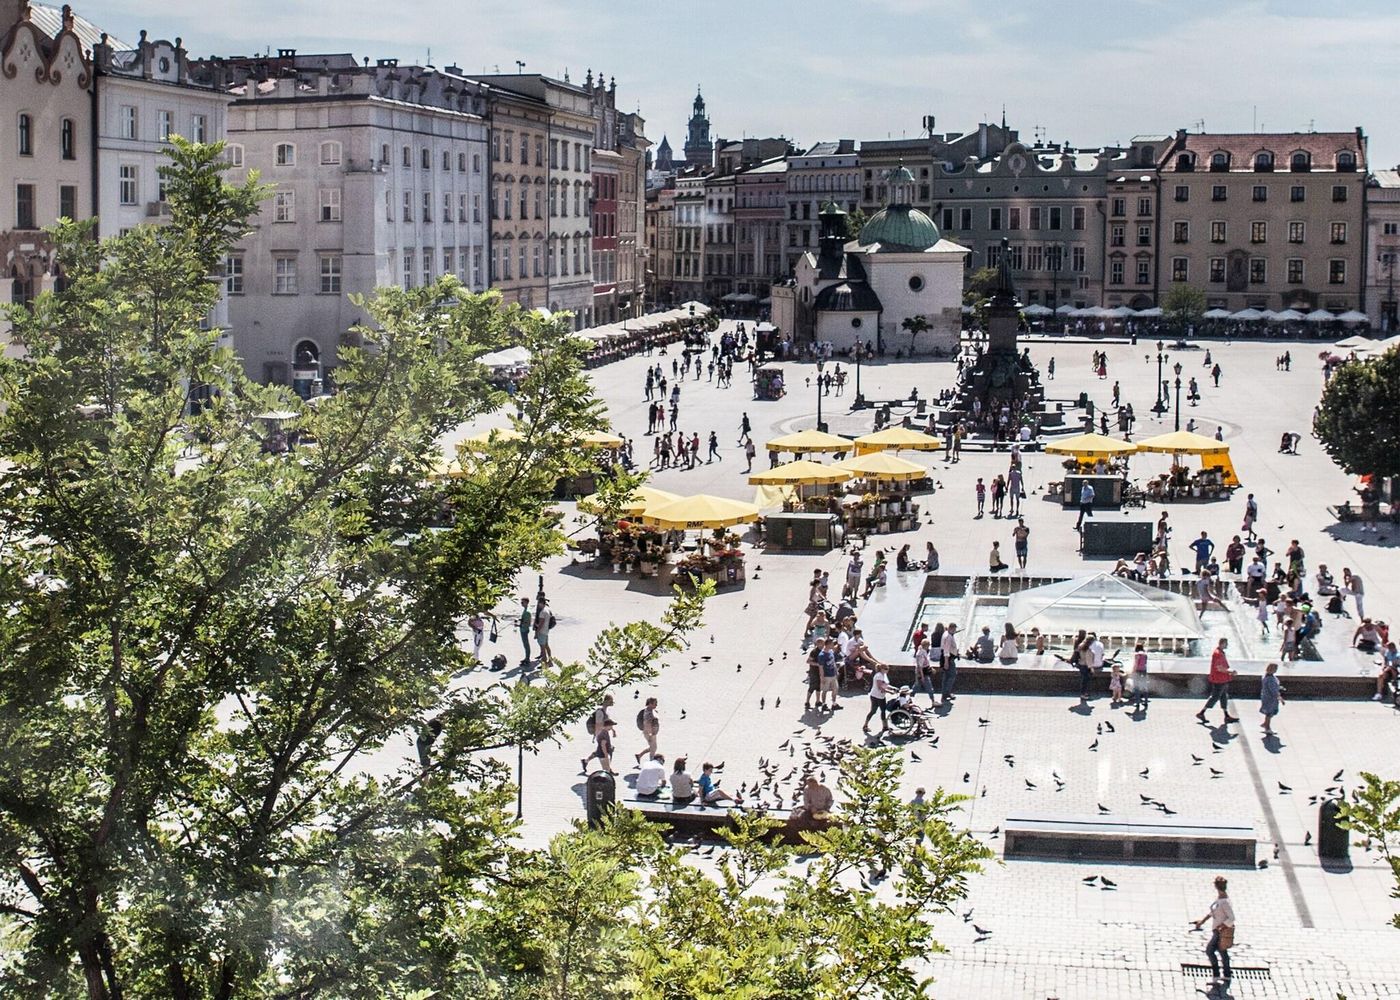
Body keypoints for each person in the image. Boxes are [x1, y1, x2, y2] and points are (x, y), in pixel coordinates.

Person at [1192, 876, 1236, 987]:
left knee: (1210, 951)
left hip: (1219, 932)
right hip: (1217, 930)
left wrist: (1221, 927)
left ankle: (1216, 976)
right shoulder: (1221, 898)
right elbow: (1213, 912)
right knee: (1222, 952)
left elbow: (1231, 918)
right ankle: (1227, 975)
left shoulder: (1224, 902)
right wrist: (1202, 921)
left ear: (1216, 886)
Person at [1197, 638, 1240, 725]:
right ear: (1222, 643)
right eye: (1226, 643)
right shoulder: (1218, 654)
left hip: (1222, 679)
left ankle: (1226, 715)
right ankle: (1201, 713)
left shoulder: (1220, 652)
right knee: (1215, 697)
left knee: (1224, 696)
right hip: (1218, 680)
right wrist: (1230, 671)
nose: (1227, 645)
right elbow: (1219, 668)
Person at [863, 663, 895, 736]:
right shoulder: (878, 676)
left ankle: (885, 726)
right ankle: (865, 725)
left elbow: (885, 684)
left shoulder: (884, 675)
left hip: (881, 696)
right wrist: (889, 692)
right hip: (875, 696)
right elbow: (880, 687)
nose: (887, 670)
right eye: (886, 669)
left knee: (883, 710)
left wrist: (892, 688)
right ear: (882, 669)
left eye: (888, 669)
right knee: (873, 711)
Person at [939, 624, 960, 705]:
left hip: (947, 658)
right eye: (954, 629)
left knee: (946, 676)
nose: (955, 631)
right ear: (951, 628)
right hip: (949, 659)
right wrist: (946, 662)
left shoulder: (946, 633)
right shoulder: (948, 637)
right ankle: (946, 692)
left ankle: (945, 693)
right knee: (952, 675)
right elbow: (946, 650)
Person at [1259, 662, 1283, 734]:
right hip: (1270, 698)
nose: (1276, 670)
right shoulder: (1271, 679)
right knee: (1269, 713)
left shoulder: (1266, 677)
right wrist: (1279, 697)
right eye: (1276, 669)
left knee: (1268, 712)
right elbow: (1273, 690)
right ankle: (1267, 727)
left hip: (1266, 697)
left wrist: (1278, 687)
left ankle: (1265, 723)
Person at [635, 697, 660, 763]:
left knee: (653, 747)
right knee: (653, 748)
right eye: (655, 703)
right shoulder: (648, 712)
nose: (656, 705)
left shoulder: (651, 711)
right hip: (649, 733)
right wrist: (650, 734)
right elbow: (647, 723)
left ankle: (639, 755)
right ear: (650, 704)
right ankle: (651, 762)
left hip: (652, 732)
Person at [533, 597, 555, 666]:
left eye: (538, 603)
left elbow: (541, 624)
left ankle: (545, 663)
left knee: (542, 648)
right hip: (546, 631)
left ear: (541, 603)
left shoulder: (542, 612)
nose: (538, 605)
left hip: (542, 632)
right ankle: (550, 661)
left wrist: (536, 633)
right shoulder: (548, 609)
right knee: (546, 646)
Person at [1130, 642, 1149, 710]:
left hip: (1137, 671)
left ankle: (1137, 702)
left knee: (1136, 687)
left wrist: (1133, 671)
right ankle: (1146, 701)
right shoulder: (1145, 655)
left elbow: (1136, 664)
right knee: (1144, 686)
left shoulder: (1137, 655)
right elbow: (1145, 663)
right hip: (1144, 671)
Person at [518, 597, 533, 665]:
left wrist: (519, 625)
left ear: (526, 602)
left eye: (522, 602)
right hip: (523, 629)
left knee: (526, 645)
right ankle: (526, 658)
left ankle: (527, 658)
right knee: (525, 644)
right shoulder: (526, 610)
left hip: (524, 630)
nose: (521, 604)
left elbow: (527, 623)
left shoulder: (527, 612)